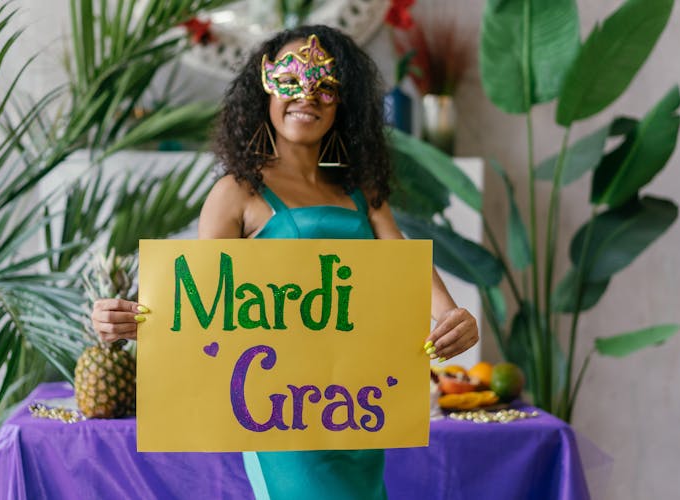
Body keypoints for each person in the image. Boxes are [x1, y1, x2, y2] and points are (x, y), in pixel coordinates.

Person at [92, 24, 478, 500]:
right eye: (290, 79)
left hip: (354, 405)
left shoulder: (362, 194)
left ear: (344, 102)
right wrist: (129, 321)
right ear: (263, 88)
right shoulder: (236, 193)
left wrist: (451, 315)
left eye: (325, 85)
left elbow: (404, 261)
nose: (307, 95)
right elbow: (203, 303)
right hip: (278, 411)